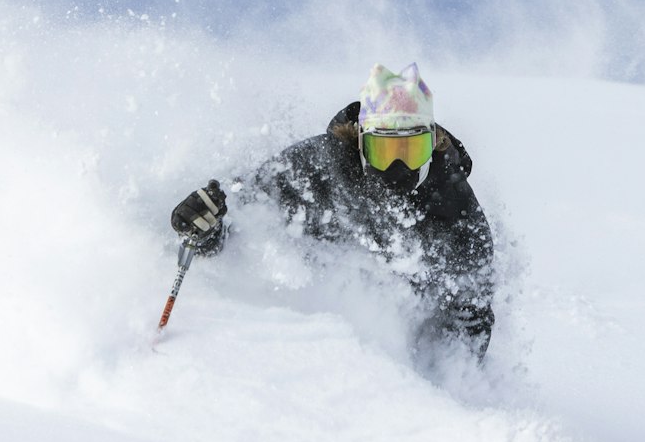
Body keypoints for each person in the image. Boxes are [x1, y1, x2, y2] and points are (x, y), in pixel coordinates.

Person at [169, 63, 495, 359]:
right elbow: (244, 218)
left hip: (398, 352)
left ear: (432, 145)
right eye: (384, 150)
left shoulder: (455, 210)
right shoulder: (320, 164)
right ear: (360, 143)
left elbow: (469, 321)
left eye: (411, 151)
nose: (398, 167)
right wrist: (208, 231)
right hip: (300, 328)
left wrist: (431, 382)